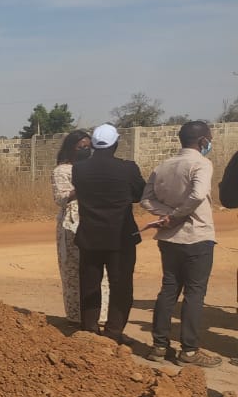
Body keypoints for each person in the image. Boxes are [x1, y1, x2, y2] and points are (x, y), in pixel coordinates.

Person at [141, 121, 221, 366]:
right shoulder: (201, 163)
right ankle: (188, 352)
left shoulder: (164, 165)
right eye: (209, 138)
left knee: (168, 290)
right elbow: (197, 195)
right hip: (197, 237)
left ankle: (159, 346)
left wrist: (167, 215)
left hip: (169, 239)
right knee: (195, 294)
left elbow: (146, 199)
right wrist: (177, 215)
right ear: (203, 141)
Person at [71, 123, 145, 343]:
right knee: (121, 285)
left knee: (90, 285)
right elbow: (139, 194)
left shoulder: (79, 168)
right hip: (120, 238)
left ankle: (90, 331)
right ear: (116, 143)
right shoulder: (128, 168)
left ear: (93, 145)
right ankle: (113, 333)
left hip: (90, 237)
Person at [52, 131, 108, 326]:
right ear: (70, 148)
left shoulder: (94, 167)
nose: (85, 149)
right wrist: (82, 187)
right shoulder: (62, 171)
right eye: (80, 146)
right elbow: (60, 198)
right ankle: (76, 315)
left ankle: (100, 315)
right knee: (73, 268)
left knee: (98, 269)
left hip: (95, 218)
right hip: (72, 221)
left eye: (88, 146)